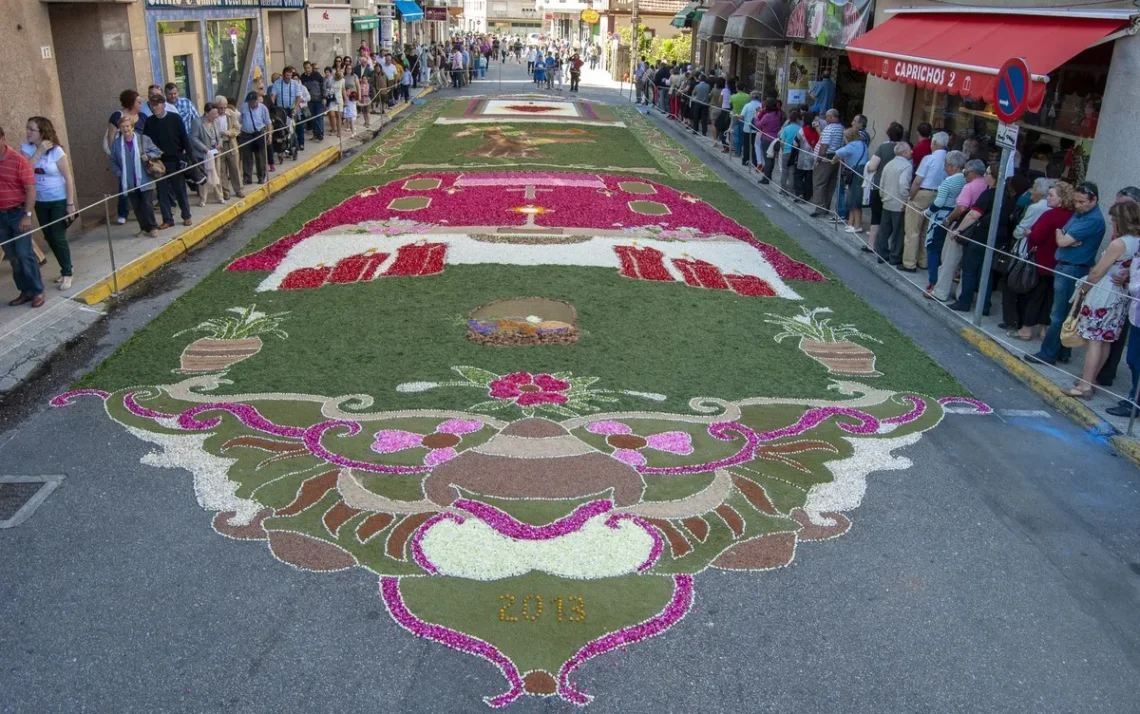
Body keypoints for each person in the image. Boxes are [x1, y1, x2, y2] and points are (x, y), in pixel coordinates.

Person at [1025, 182, 1107, 366]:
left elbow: (1062, 241)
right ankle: (1062, 351)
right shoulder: (1080, 214)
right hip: (1065, 265)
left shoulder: (1093, 219)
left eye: (1082, 201)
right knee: (1064, 312)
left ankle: (1048, 353)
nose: (1078, 205)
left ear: (1094, 199)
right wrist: (1062, 235)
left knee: (1059, 314)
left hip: (1073, 267)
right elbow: (1061, 234)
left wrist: (1063, 237)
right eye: (1076, 201)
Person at [1066, 201, 1140, 398]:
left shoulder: (1119, 243)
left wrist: (1084, 289)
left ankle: (1085, 385)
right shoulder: (1138, 241)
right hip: (1121, 296)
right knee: (1106, 339)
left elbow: (1098, 271)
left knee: (1094, 340)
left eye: (1114, 218)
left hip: (1105, 292)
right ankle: (1090, 378)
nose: (1112, 222)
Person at [1004, 181, 1074, 341]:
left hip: (1042, 262)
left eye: (1051, 195)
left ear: (1061, 198)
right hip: (1058, 264)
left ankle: (1026, 329)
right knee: (1050, 298)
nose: (1048, 198)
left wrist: (1029, 234)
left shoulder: (1050, 215)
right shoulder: (1072, 216)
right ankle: (1044, 330)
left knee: (1035, 297)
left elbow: (1037, 236)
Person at [20, 116, 75, 291]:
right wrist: (38, 153)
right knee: (49, 236)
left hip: (57, 199)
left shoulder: (57, 151)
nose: (28, 132)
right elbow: (25, 172)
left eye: (31, 129)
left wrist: (70, 203)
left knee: (58, 236)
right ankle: (64, 268)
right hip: (40, 200)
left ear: (42, 132)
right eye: (27, 128)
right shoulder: (26, 149)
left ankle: (67, 272)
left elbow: (68, 178)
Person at [950, 162, 1012, 314]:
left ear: (995, 177)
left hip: (980, 236)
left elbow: (973, 215)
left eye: (988, 174)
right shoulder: (1008, 196)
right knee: (986, 272)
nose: (985, 176)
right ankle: (984, 305)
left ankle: (964, 302)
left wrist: (958, 229)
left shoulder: (989, 194)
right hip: (997, 238)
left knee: (970, 270)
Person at [930, 160, 987, 302]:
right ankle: (960, 295)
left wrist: (948, 220)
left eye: (966, 173)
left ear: (972, 173)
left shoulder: (969, 187)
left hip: (963, 226)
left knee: (949, 260)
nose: (964, 176)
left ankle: (940, 292)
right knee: (967, 265)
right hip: (978, 230)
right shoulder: (987, 186)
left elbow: (961, 208)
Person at [0, 125, 43, 308]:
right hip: (1, 217)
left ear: (2, 138)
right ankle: (25, 291)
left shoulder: (18, 160)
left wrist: (27, 215)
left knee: (25, 254)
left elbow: (30, 189)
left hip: (18, 213)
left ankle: (37, 290)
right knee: (12, 256)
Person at [143, 95, 193, 228]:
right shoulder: (149, 122)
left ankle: (186, 215)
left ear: (163, 105)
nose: (155, 108)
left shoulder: (174, 118)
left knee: (179, 189)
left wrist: (189, 156)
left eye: (157, 105)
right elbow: (146, 141)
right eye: (152, 105)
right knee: (162, 191)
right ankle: (167, 219)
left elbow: (184, 138)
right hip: (158, 162)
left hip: (175, 159)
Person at [903, 131, 948, 272]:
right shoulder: (949, 159)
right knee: (927, 231)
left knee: (912, 230)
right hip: (939, 195)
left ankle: (909, 262)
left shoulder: (929, 159)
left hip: (923, 192)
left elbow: (917, 181)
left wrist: (910, 196)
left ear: (934, 143)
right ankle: (923, 261)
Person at [921, 150, 967, 287]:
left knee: (933, 249)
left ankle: (933, 281)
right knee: (945, 251)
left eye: (946, 165)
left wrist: (927, 212)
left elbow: (939, 202)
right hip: (954, 217)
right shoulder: (964, 181)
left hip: (940, 217)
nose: (945, 167)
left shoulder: (948, 182)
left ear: (953, 166)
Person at [109, 114, 160, 239]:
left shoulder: (143, 139)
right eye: (122, 127)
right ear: (120, 129)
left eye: (127, 126)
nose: (125, 129)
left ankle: (153, 227)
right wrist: (118, 173)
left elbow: (157, 151)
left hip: (144, 179)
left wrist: (148, 156)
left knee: (147, 204)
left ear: (132, 127)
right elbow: (113, 160)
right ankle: (143, 228)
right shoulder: (116, 144)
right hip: (129, 181)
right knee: (136, 206)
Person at [863, 122, 905, 254]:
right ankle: (888, 246)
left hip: (879, 185)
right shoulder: (905, 148)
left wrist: (868, 168)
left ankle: (871, 244)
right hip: (897, 189)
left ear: (888, 134)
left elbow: (872, 167)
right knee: (892, 219)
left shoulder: (883, 147)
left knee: (876, 216)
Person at [107, 90, 146, 225]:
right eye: (138, 102)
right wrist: (115, 154)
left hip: (138, 154)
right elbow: (111, 136)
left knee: (140, 183)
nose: (141, 104)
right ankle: (123, 212)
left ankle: (142, 210)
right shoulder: (117, 115)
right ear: (131, 102)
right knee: (124, 184)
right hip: (123, 153)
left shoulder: (142, 116)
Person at [875, 142, 913, 265]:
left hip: (887, 200)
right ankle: (895, 257)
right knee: (898, 232)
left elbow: (882, 182)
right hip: (899, 202)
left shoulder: (889, 164)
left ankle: (881, 254)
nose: (911, 152)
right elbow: (903, 184)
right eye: (909, 150)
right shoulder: (907, 166)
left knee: (884, 230)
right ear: (905, 152)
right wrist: (906, 198)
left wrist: (882, 196)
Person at [809, 109, 844, 217]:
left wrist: (819, 159)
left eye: (828, 117)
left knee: (819, 184)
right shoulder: (841, 128)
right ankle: (826, 207)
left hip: (825, 160)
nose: (826, 119)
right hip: (835, 160)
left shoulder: (829, 129)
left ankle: (819, 208)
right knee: (830, 184)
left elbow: (824, 146)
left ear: (833, 117)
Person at [834, 127, 868, 234]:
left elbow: (838, 153)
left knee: (855, 200)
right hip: (861, 172)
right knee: (852, 199)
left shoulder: (852, 145)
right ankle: (851, 223)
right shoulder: (863, 144)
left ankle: (857, 225)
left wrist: (833, 160)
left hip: (855, 173)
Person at [189, 103, 225, 207]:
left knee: (217, 174)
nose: (215, 116)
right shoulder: (197, 122)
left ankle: (219, 196)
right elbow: (193, 138)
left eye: (216, 114)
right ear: (206, 113)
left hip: (215, 153)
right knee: (203, 177)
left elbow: (219, 136)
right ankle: (203, 199)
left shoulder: (216, 121)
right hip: (202, 154)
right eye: (213, 114)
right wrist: (204, 148)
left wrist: (220, 143)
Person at [213, 95, 243, 200]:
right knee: (221, 170)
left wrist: (228, 132)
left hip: (230, 143)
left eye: (225, 107)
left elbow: (237, 129)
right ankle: (226, 191)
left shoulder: (232, 114)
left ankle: (238, 189)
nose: (223, 110)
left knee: (234, 167)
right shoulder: (213, 116)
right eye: (220, 108)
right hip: (219, 146)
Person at [237, 91, 270, 186]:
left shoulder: (263, 108)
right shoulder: (244, 107)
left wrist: (269, 135)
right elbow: (240, 119)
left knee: (260, 156)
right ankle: (247, 178)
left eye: (253, 101)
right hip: (246, 134)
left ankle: (261, 176)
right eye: (249, 102)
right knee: (247, 157)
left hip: (258, 133)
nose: (251, 104)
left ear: (257, 100)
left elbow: (268, 122)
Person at [269, 66, 304, 152]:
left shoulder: (295, 84)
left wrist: (295, 108)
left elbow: (298, 97)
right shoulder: (277, 83)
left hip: (291, 109)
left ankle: (293, 146)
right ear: (283, 75)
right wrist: (271, 106)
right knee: (281, 127)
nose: (288, 77)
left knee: (290, 128)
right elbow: (273, 96)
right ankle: (281, 146)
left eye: (290, 75)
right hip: (280, 110)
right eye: (287, 75)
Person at [793, 111, 819, 203]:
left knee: (798, 175)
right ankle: (807, 196)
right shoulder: (818, 131)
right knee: (809, 178)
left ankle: (799, 193)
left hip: (802, 156)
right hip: (814, 157)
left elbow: (795, 143)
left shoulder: (802, 130)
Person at [755, 99, 782, 183]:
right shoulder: (778, 114)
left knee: (767, 159)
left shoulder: (767, 116)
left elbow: (758, 124)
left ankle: (766, 178)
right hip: (775, 138)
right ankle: (769, 175)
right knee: (772, 158)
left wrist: (756, 117)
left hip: (767, 138)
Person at [776, 108, 803, 191]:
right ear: (797, 119)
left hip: (786, 151)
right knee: (792, 172)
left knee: (784, 171)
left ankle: (783, 189)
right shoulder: (800, 129)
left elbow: (782, 141)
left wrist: (783, 149)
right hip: (795, 153)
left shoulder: (786, 129)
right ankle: (791, 189)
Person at [300, 62, 326, 142]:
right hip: (309, 101)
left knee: (319, 117)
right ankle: (315, 134)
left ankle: (320, 134)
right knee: (312, 118)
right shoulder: (302, 77)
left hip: (318, 99)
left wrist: (324, 97)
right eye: (306, 68)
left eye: (309, 67)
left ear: (311, 67)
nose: (307, 69)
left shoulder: (317, 75)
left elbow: (323, 86)